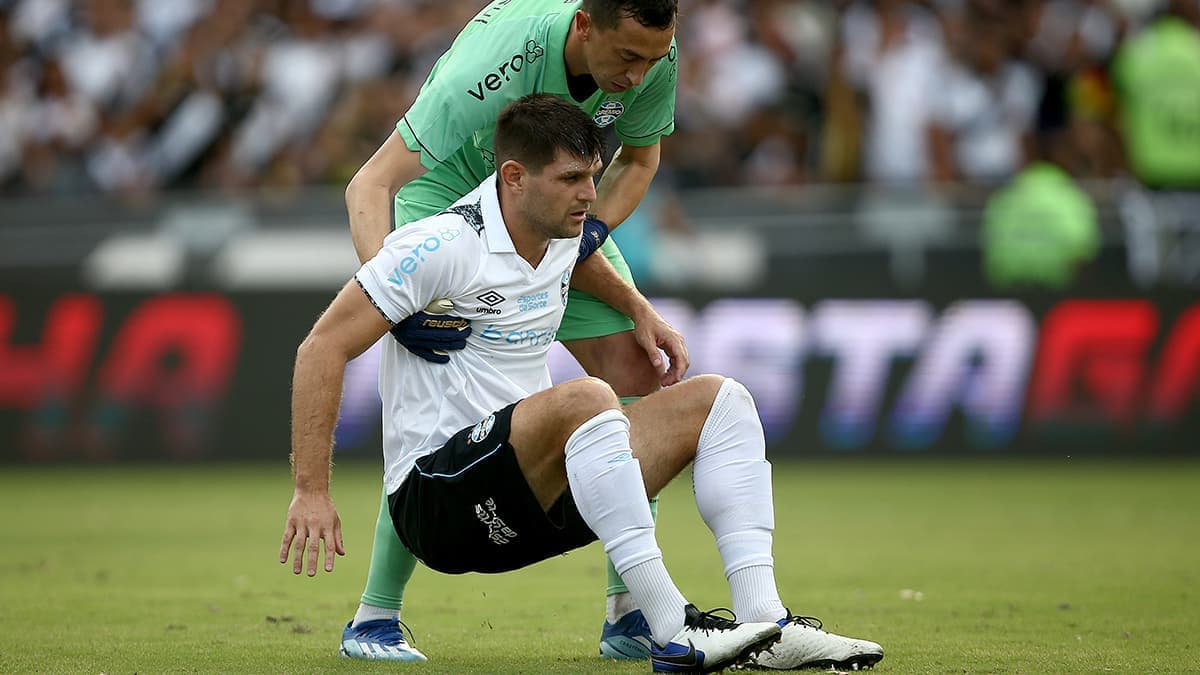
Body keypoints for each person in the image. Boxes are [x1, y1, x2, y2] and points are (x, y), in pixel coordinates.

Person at [280, 94, 885, 672]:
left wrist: (640, 310)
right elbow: (322, 347)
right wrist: (311, 490)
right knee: (589, 396)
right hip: (440, 505)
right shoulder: (439, 244)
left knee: (721, 400)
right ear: (514, 176)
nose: (589, 194)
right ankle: (672, 626)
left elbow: (577, 260)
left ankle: (765, 622)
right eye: (571, 179)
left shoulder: (557, 234)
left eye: (593, 175)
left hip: (535, 499)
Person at [339, 0, 684, 661]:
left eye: (652, 58)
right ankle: (373, 617)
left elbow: (638, 163)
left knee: (637, 367)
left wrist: (591, 245)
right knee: (444, 393)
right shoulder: (496, 59)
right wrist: (395, 300)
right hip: (447, 202)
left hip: (551, 207)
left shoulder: (654, 56)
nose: (640, 76)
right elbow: (373, 179)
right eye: (626, 58)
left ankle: (629, 612)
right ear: (584, 26)